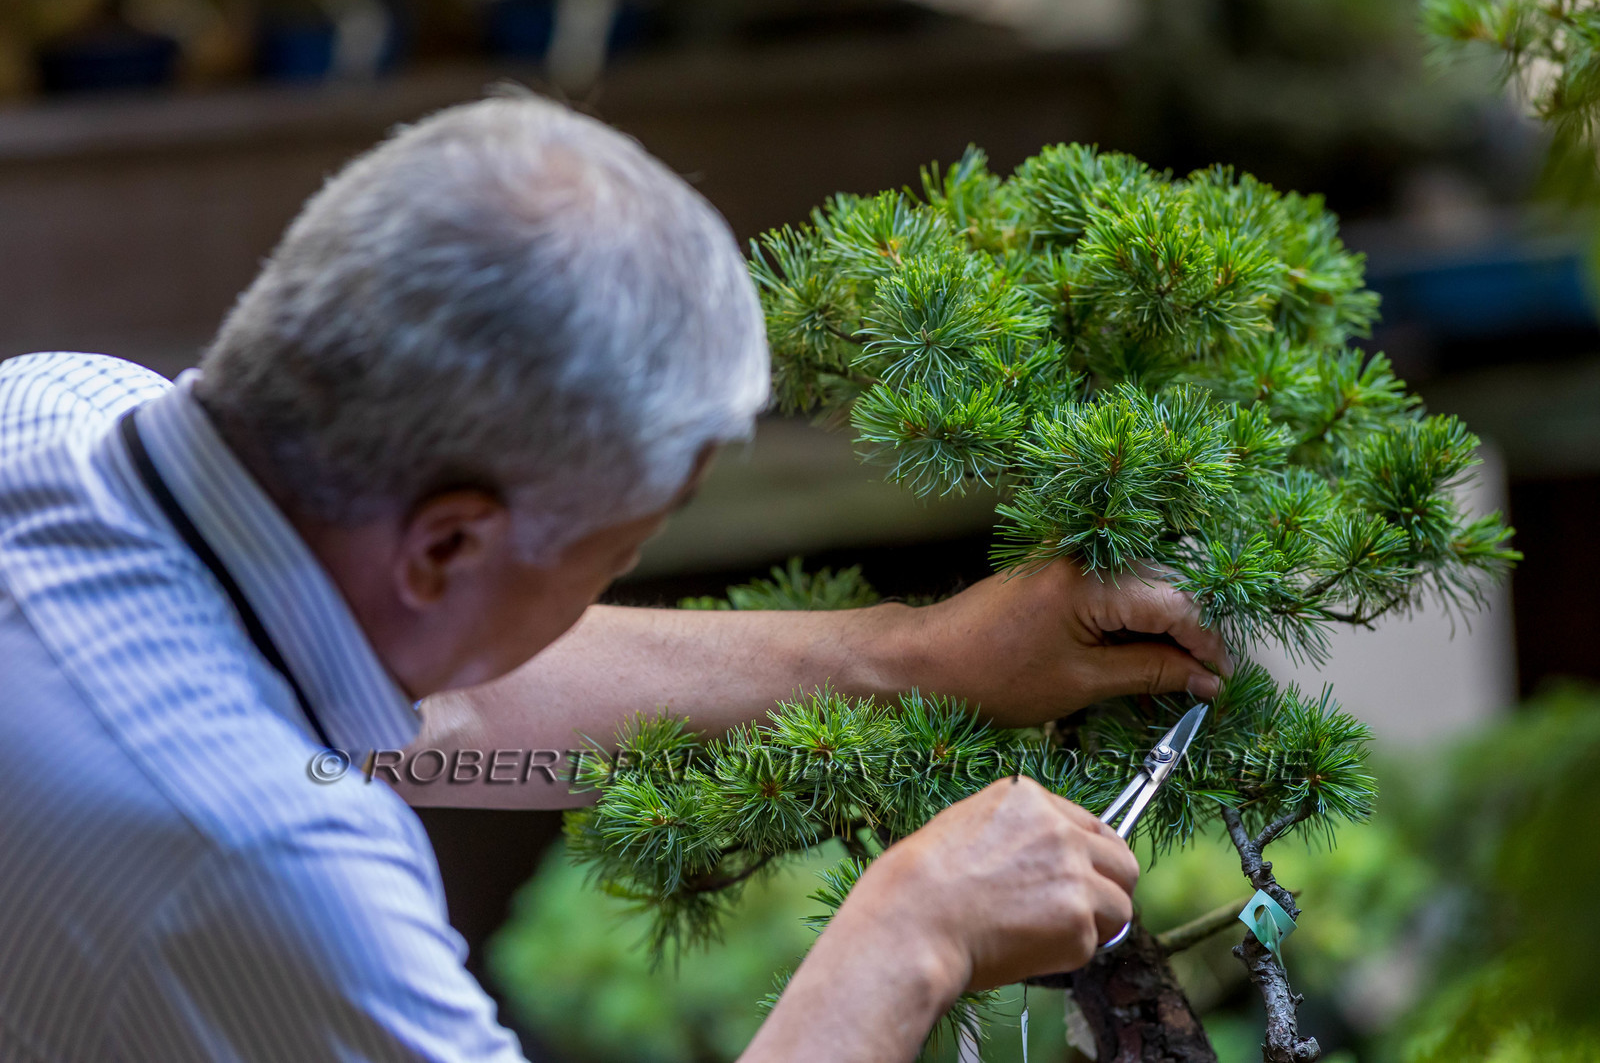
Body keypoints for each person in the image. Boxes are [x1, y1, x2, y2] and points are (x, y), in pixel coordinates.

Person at [0, 95, 1230, 1063]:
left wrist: (908, 656)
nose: (619, 571)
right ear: (444, 545)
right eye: (616, 546)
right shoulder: (263, 858)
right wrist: (907, 933)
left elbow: (435, 706)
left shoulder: (53, 408)